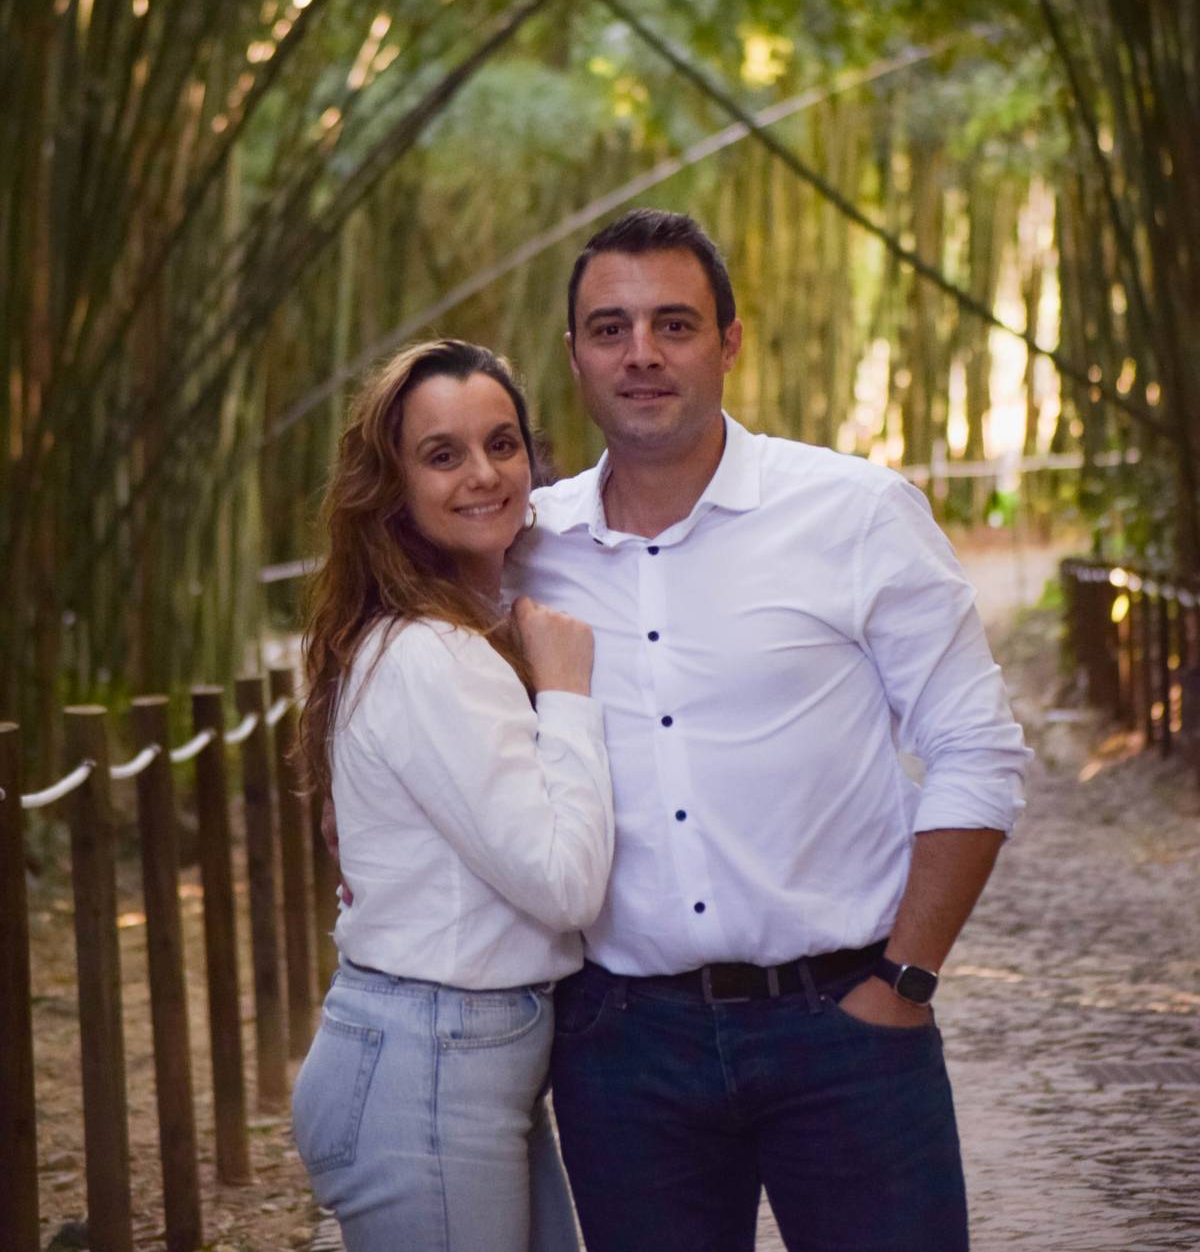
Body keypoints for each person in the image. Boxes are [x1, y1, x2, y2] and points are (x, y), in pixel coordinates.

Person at [502, 208, 1031, 1252]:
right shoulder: (524, 549)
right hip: (621, 1044)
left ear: (731, 341)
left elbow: (979, 748)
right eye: (609, 328)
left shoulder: (855, 511)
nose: (641, 353)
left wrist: (905, 981)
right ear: (572, 356)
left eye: (674, 323)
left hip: (845, 1025)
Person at [291, 338, 614, 1252]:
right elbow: (564, 882)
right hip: (427, 1068)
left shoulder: (451, 630)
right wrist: (567, 690)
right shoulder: (434, 654)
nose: (483, 473)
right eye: (443, 454)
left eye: (502, 443)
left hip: (458, 1063)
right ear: (390, 487)